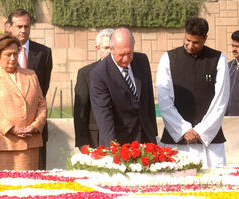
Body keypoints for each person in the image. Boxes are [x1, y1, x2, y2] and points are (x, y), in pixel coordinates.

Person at [0, 9, 52, 170]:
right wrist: (11, 128)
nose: (23, 30)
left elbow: (42, 97)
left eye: (26, 26)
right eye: (19, 26)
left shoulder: (42, 57)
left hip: (31, 138)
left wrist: (34, 125)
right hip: (2, 140)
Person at [156, 17, 230, 168]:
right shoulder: (168, 59)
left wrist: (200, 131)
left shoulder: (218, 59)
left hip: (210, 142)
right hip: (176, 140)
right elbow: (164, 100)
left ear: (205, 38)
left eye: (195, 42)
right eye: (187, 40)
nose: (190, 46)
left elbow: (221, 100)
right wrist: (184, 130)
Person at [90, 27, 158, 147]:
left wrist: (153, 133)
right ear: (111, 49)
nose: (126, 59)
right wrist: (112, 148)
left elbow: (148, 100)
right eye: (121, 55)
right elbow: (104, 114)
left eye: (129, 53)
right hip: (119, 142)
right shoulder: (99, 74)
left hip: (146, 138)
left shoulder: (142, 60)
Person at [74, 28, 114, 149]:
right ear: (98, 48)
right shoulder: (86, 73)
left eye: (112, 48)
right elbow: (80, 112)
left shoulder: (127, 72)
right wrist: (82, 143)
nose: (109, 52)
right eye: (106, 48)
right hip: (95, 139)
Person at [225, 30, 239, 116]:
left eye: (237, 46)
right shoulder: (228, 67)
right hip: (228, 120)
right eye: (233, 46)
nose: (234, 49)